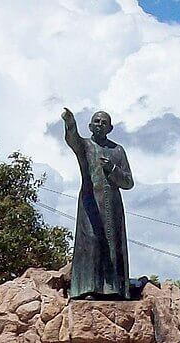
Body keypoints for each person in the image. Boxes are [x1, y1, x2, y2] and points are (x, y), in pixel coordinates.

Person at [61, 108, 134, 299]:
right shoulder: (85, 146)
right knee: (91, 243)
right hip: (90, 202)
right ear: (90, 126)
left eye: (104, 122)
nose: (100, 125)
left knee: (113, 244)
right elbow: (73, 140)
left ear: (110, 128)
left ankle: (114, 289)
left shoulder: (117, 150)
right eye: (97, 122)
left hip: (112, 205)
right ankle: (88, 288)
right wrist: (70, 124)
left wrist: (112, 168)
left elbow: (128, 182)